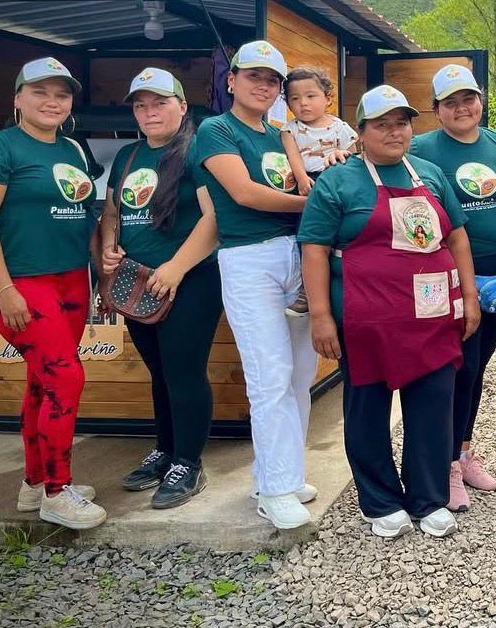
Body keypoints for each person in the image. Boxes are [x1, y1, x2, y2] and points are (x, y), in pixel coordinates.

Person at [299, 85, 479, 539]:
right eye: (382, 124)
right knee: (368, 409)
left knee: (433, 405)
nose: (395, 132)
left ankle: (428, 496)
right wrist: (321, 315)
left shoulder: (429, 174)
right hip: (368, 320)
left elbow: (457, 236)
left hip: (433, 316)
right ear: (360, 132)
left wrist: (469, 297)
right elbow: (314, 248)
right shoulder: (338, 181)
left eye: (402, 123)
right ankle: (379, 500)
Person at [0, 58, 105, 529]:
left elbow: (85, 216)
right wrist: (5, 290)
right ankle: (57, 493)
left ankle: (35, 482)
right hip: (21, 282)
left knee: (44, 381)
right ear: (18, 98)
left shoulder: (73, 149)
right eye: (40, 92)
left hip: (71, 280)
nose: (52, 101)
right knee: (66, 378)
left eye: (61, 94)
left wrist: (99, 272)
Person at [196, 40, 315, 530]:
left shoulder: (280, 134)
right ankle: (275, 490)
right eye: (253, 76)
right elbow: (244, 193)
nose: (263, 86)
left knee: (301, 373)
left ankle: (282, 472)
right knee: (270, 376)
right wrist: (315, 204)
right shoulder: (216, 130)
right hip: (248, 258)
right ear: (231, 81)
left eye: (272, 80)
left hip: (295, 255)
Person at [101, 68, 222, 509]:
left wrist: (175, 268)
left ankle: (188, 463)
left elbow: (214, 219)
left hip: (191, 280)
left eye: (159, 103)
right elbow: (112, 212)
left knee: (184, 371)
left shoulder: (197, 150)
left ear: (182, 106)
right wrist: (109, 247)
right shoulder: (128, 155)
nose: (149, 112)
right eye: (141, 105)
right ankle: (166, 449)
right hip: (138, 283)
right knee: (160, 370)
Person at [411, 65, 496, 511]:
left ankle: (462, 452)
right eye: (450, 102)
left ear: (481, 100)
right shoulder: (420, 147)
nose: (461, 108)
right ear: (436, 109)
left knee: (477, 369)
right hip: (453, 278)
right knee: (459, 367)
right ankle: (446, 466)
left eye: (468, 98)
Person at [280, 65, 358, 316]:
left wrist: (344, 155)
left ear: (327, 98)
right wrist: (302, 178)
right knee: (308, 235)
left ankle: (347, 281)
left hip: (336, 182)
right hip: (308, 184)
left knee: (343, 233)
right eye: (295, 98)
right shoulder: (289, 129)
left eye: (311, 96)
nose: (303, 103)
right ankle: (307, 289)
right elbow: (293, 156)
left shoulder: (340, 128)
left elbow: (355, 156)